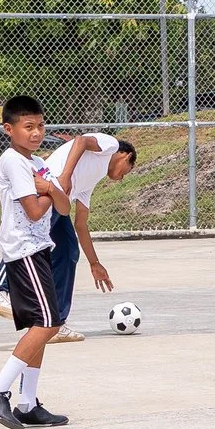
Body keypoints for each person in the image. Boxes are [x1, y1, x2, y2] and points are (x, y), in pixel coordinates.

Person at [0, 96, 75, 429]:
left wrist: (48, 189)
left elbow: (64, 207)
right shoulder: (13, 161)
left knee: (42, 324)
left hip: (39, 248)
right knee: (48, 323)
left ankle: (27, 403)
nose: (35, 133)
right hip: (23, 250)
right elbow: (35, 209)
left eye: (40, 126)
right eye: (28, 126)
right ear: (9, 129)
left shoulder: (38, 163)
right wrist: (51, 190)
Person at [41, 129, 137, 335]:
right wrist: (65, 176)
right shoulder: (110, 145)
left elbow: (81, 225)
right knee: (32, 243)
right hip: (48, 187)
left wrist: (94, 263)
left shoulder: (90, 180)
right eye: (126, 171)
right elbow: (81, 141)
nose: (121, 178)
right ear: (126, 156)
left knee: (68, 250)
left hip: (59, 200)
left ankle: (55, 324)